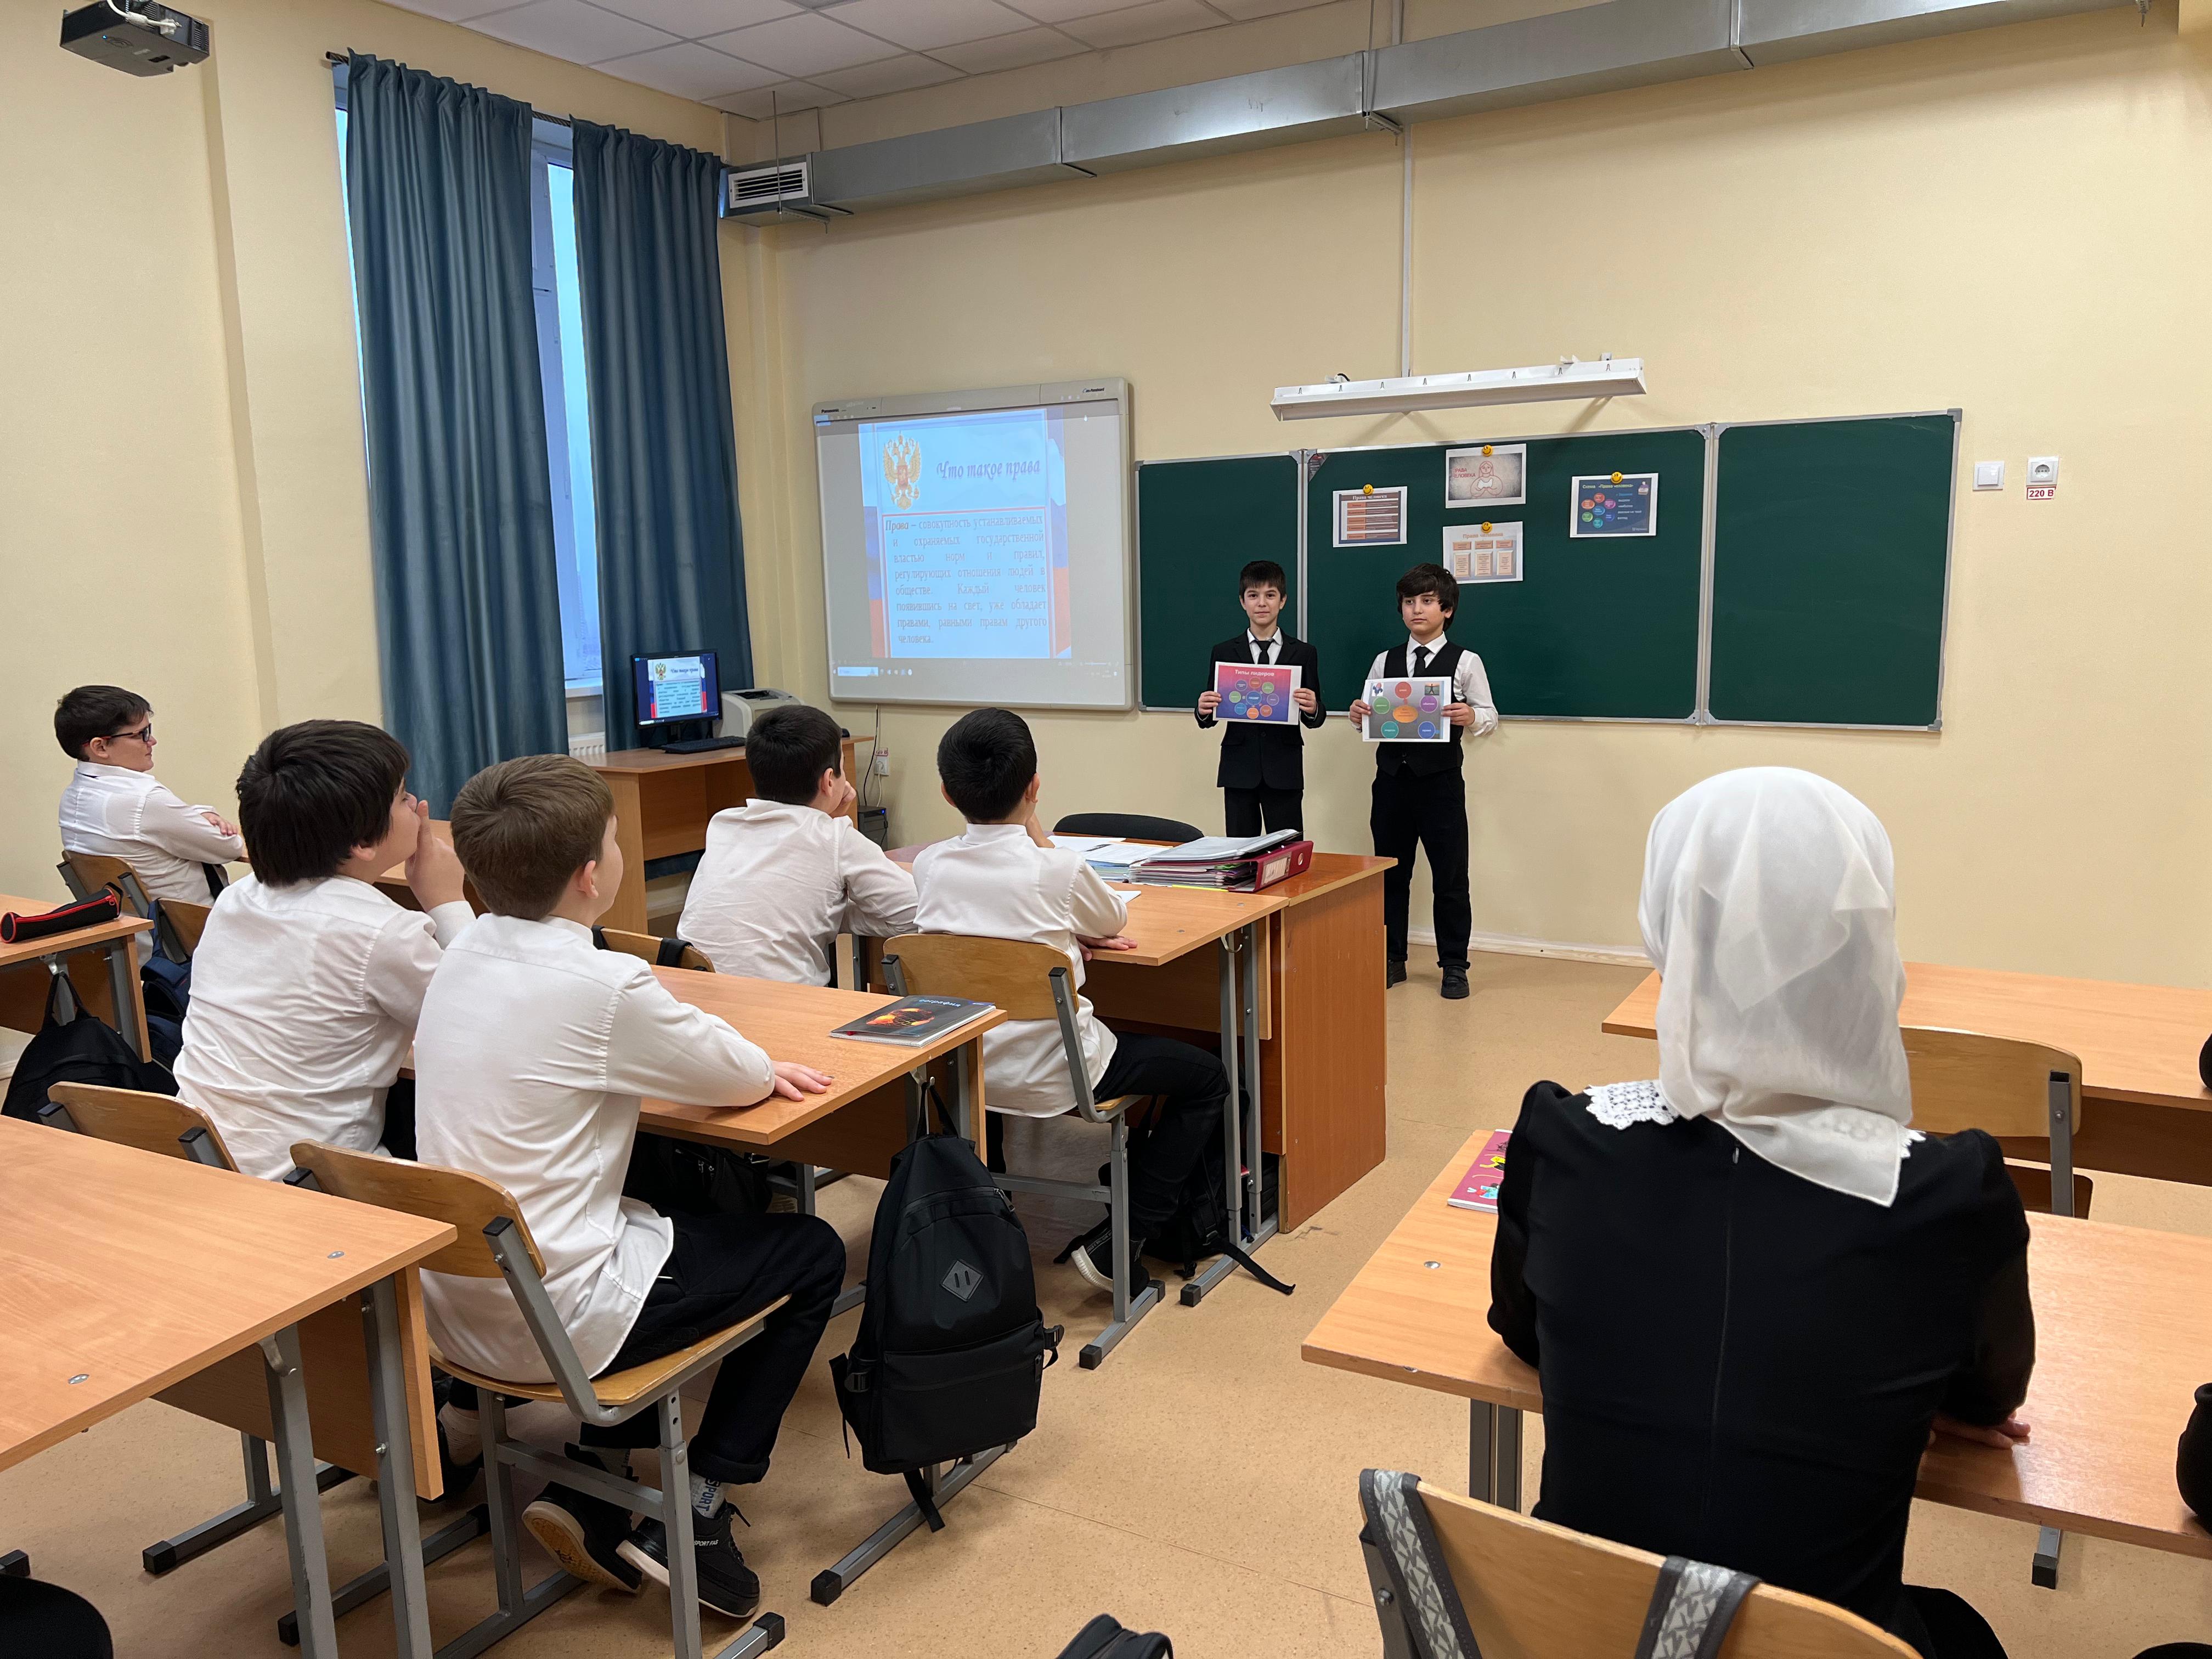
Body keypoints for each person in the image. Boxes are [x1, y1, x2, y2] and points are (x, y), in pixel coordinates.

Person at [1486, 768, 2030, 1659]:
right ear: (1866, 933)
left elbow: (1523, 1330)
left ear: (1669, 924)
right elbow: (1988, 1395)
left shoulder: (1566, 1136)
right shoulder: (1949, 1191)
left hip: (1577, 1628)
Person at [413, 755, 843, 1620]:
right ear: (591, 875)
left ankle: (598, 1477)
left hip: (448, 1315)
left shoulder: (460, 955)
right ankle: (701, 1512)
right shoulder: (605, 984)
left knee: (668, 1202)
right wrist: (763, 1064)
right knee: (812, 1251)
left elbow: (466, 930)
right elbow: (738, 1071)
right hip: (558, 1320)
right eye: (613, 841)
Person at [912, 708, 1227, 1289]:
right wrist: (1065, 911)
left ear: (947, 794)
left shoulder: (929, 866)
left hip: (965, 1072)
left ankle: (992, 1214)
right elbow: (1112, 918)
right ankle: (1127, 1236)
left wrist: (1054, 929)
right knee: (1209, 1078)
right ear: (1034, 787)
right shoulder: (1057, 871)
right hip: (1063, 1074)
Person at [174, 721, 470, 1181]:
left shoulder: (236, 899)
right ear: (362, 842)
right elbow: (478, 1024)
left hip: (199, 1158)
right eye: (402, 797)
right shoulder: (383, 932)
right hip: (306, 1182)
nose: (416, 804)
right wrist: (448, 901)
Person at [676, 704, 915, 984]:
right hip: (782, 1003)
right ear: (829, 781)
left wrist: (831, 911)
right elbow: (915, 913)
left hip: (696, 996)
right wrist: (837, 914)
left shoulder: (723, 824)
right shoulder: (835, 837)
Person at [1347, 564, 1497, 1000]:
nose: (1417, 609)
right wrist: (1358, 715)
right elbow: (1368, 717)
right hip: (1391, 782)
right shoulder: (1385, 660)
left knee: (1450, 877)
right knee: (1391, 874)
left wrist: (1472, 716)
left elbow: (1489, 715)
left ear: (1447, 610)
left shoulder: (1466, 661)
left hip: (1440, 784)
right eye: (1409, 602)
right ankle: (1392, 957)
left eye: (1428, 601)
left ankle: (1454, 965)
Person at [54, 684, 245, 906]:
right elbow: (229, 847)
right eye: (141, 734)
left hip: (132, 925)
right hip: (196, 923)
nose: (152, 741)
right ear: (101, 747)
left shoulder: (72, 798)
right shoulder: (143, 801)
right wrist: (206, 816)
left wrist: (199, 814)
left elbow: (161, 823)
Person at [1193, 560, 1324, 838]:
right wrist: (1203, 710)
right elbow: (1209, 716)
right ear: (1243, 602)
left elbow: (1315, 718)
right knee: (1239, 850)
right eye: (1253, 595)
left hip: (1284, 768)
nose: (1262, 603)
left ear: (1283, 601)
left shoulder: (1304, 653)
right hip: (1239, 768)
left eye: (1270, 595)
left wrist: (1313, 708)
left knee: (1287, 848)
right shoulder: (1224, 652)